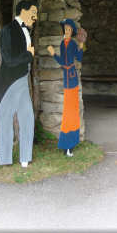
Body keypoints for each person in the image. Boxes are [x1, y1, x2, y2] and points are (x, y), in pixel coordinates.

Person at [0, 0, 38, 168]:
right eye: (33, 12)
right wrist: (28, 55)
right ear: (23, 11)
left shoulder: (27, 30)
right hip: (10, 81)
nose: (36, 16)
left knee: (27, 118)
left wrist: (28, 56)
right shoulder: (7, 30)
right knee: (6, 118)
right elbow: (9, 59)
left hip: (22, 79)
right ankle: (5, 159)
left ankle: (25, 158)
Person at [47, 19, 86, 157]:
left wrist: (81, 44)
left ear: (72, 31)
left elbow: (79, 58)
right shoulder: (62, 44)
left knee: (72, 111)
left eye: (69, 30)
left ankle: (70, 144)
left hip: (72, 80)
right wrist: (55, 54)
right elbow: (63, 62)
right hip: (67, 81)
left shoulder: (73, 43)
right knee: (68, 112)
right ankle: (67, 144)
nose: (66, 31)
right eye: (65, 29)